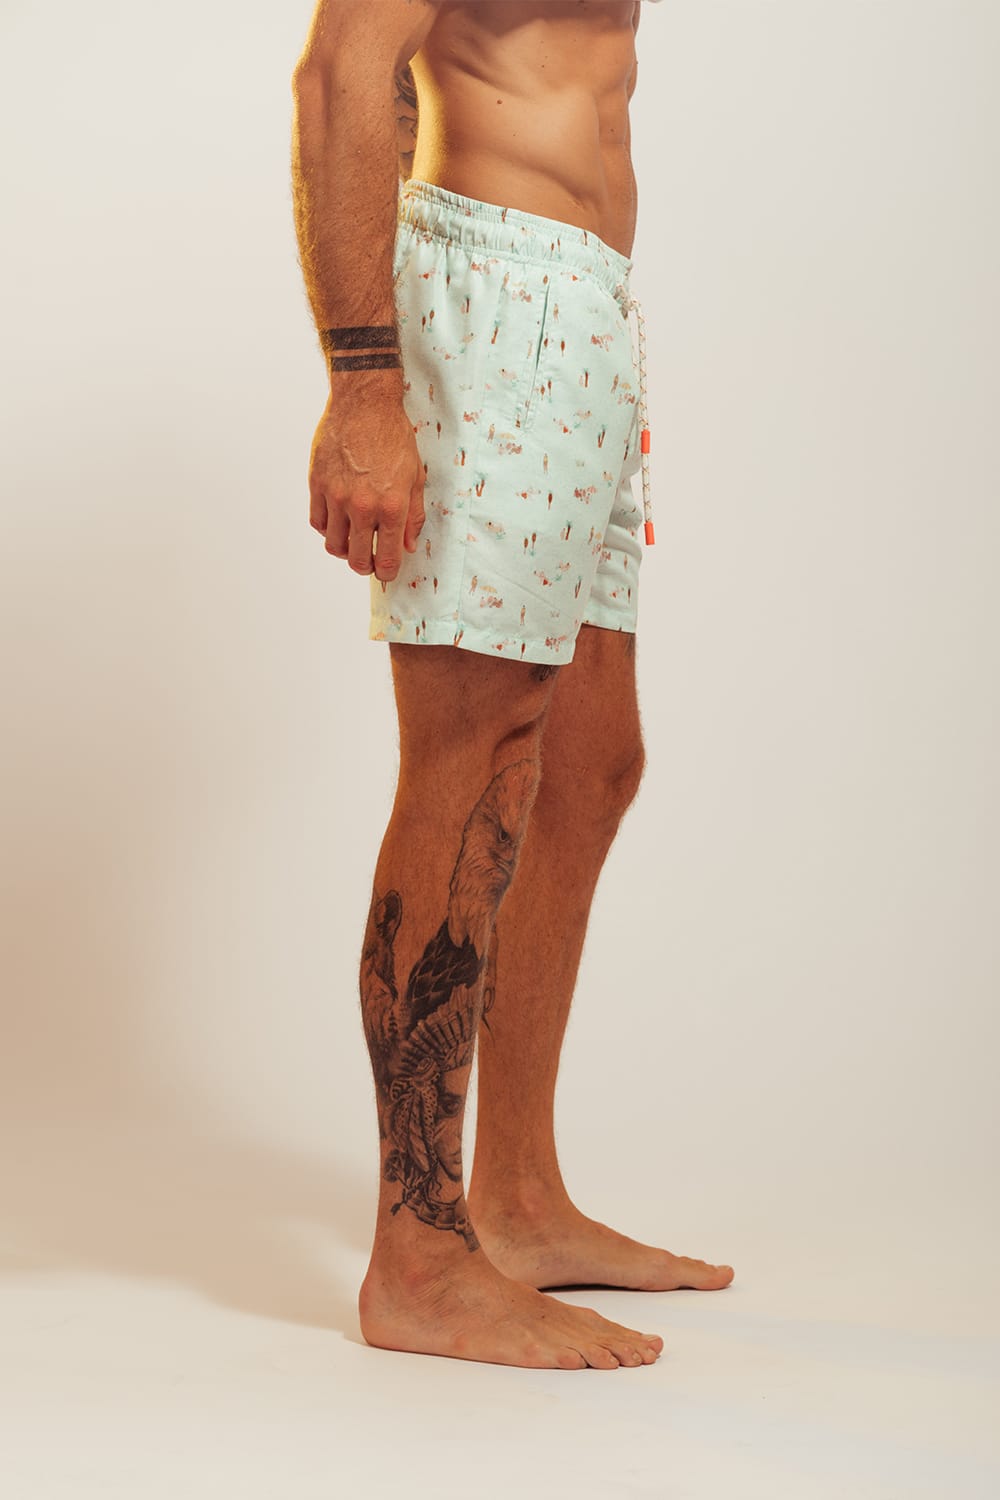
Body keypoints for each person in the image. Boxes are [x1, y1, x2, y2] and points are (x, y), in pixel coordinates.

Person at [290, 0, 734, 1371]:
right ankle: (418, 1258)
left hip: (588, 305)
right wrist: (367, 386)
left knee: (591, 761)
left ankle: (518, 1200)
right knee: (474, 751)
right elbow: (344, 69)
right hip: (495, 298)